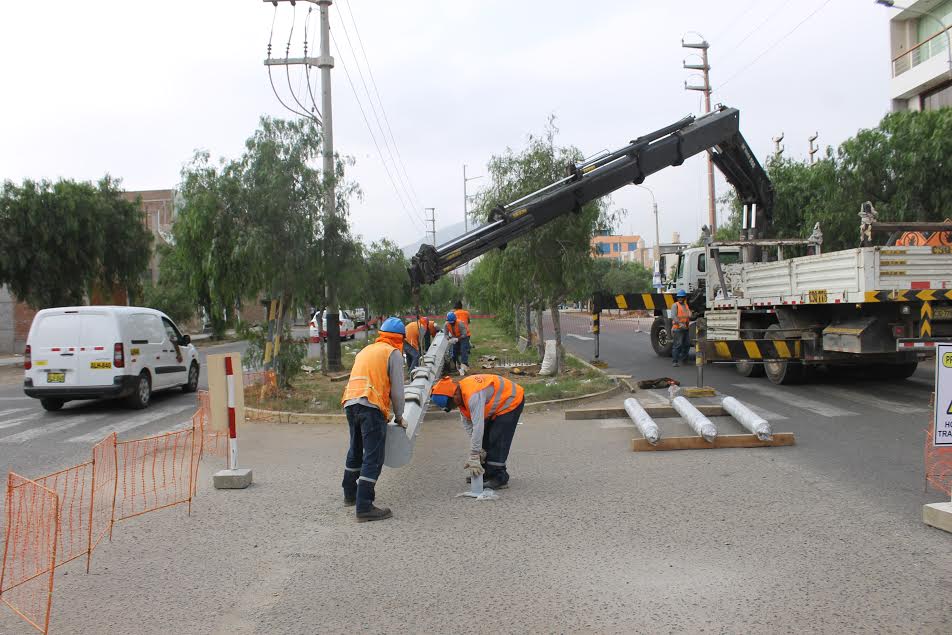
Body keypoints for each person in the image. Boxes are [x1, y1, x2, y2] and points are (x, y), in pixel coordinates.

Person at [339, 317, 406, 522]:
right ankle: (365, 506)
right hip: (371, 405)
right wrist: (400, 416)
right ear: (400, 338)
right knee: (374, 456)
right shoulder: (392, 352)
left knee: (356, 449)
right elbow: (397, 391)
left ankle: (350, 494)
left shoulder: (366, 350)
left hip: (351, 401)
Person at [429, 374, 524, 490]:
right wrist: (479, 450)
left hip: (511, 400)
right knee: (483, 439)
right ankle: (485, 473)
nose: (454, 407)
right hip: (497, 406)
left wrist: (474, 455)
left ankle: (499, 478)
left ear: (454, 394)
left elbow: (478, 426)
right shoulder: (461, 398)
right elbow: (470, 427)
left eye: (452, 404)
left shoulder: (473, 395)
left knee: (497, 438)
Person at [444, 311, 471, 375]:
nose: (452, 324)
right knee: (455, 352)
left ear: (455, 320)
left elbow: (464, 334)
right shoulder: (446, 324)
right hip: (454, 338)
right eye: (450, 322)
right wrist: (449, 339)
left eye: (453, 322)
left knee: (463, 350)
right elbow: (445, 334)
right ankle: (456, 365)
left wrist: (458, 339)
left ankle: (464, 365)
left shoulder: (460, 323)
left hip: (463, 337)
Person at [670, 289, 691, 367]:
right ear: (677, 298)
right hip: (678, 328)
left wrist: (690, 315)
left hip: (685, 328)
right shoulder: (675, 305)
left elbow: (688, 314)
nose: (680, 299)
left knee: (687, 344)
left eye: (682, 297)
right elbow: (673, 316)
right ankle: (675, 361)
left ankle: (684, 359)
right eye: (679, 297)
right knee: (678, 345)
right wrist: (680, 323)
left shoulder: (686, 305)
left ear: (684, 298)